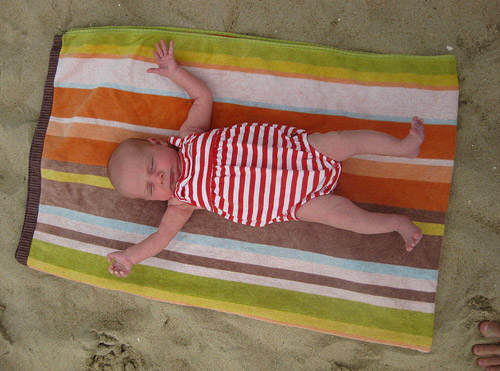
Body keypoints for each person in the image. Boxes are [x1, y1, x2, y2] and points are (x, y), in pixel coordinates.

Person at [106, 40, 425, 277]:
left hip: (300, 151)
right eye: (151, 188)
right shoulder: (180, 202)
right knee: (343, 217)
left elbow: (202, 96)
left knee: (343, 140)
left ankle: (403, 148)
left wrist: (175, 73)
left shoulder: (191, 136)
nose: (160, 179)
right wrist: (131, 257)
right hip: (295, 202)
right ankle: (395, 223)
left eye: (152, 167)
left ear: (157, 143)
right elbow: (161, 236)